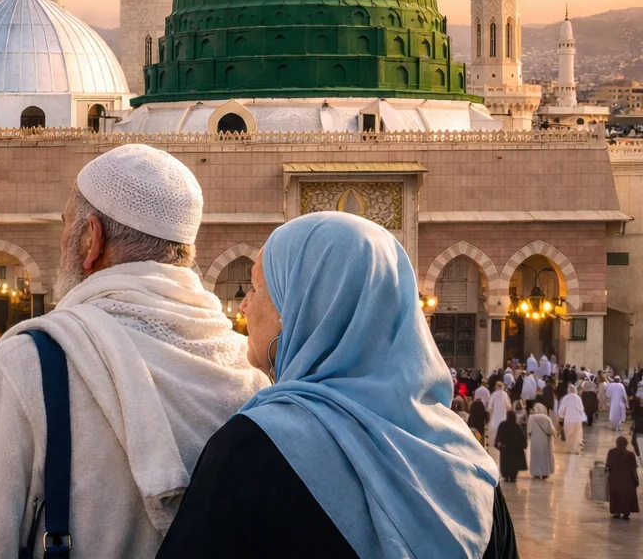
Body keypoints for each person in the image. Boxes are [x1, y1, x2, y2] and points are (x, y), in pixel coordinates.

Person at [0, 145, 269, 558]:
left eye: (67, 224)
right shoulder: (251, 373)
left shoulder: (27, 367)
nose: (63, 237)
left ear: (90, 238)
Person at [157, 212, 515, 558]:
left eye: (257, 288)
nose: (245, 305)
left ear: (302, 309)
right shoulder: (470, 466)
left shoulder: (253, 448)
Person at [607, 436, 639, 519]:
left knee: (616, 495)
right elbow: (633, 469)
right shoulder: (630, 455)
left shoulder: (611, 452)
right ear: (626, 444)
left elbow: (608, 465)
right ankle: (626, 513)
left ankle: (616, 512)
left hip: (615, 479)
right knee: (626, 497)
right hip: (628, 480)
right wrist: (636, 479)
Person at [494, 410, 527, 483]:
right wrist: (524, 445)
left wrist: (498, 444)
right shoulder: (517, 426)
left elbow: (498, 436)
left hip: (505, 448)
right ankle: (513, 476)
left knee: (505, 463)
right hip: (515, 450)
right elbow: (522, 438)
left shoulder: (502, 425)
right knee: (514, 464)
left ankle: (505, 475)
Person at [527, 402, 556, 479]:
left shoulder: (531, 418)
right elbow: (552, 431)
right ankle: (544, 474)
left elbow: (529, 431)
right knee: (544, 457)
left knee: (535, 457)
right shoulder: (547, 418)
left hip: (534, 440)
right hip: (544, 441)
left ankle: (535, 473)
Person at [555, 384, 586, 454]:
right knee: (577, 434)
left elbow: (562, 408)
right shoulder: (578, 398)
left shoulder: (566, 398)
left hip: (569, 419)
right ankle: (576, 449)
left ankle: (572, 449)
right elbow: (581, 408)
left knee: (569, 435)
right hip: (577, 419)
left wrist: (561, 416)